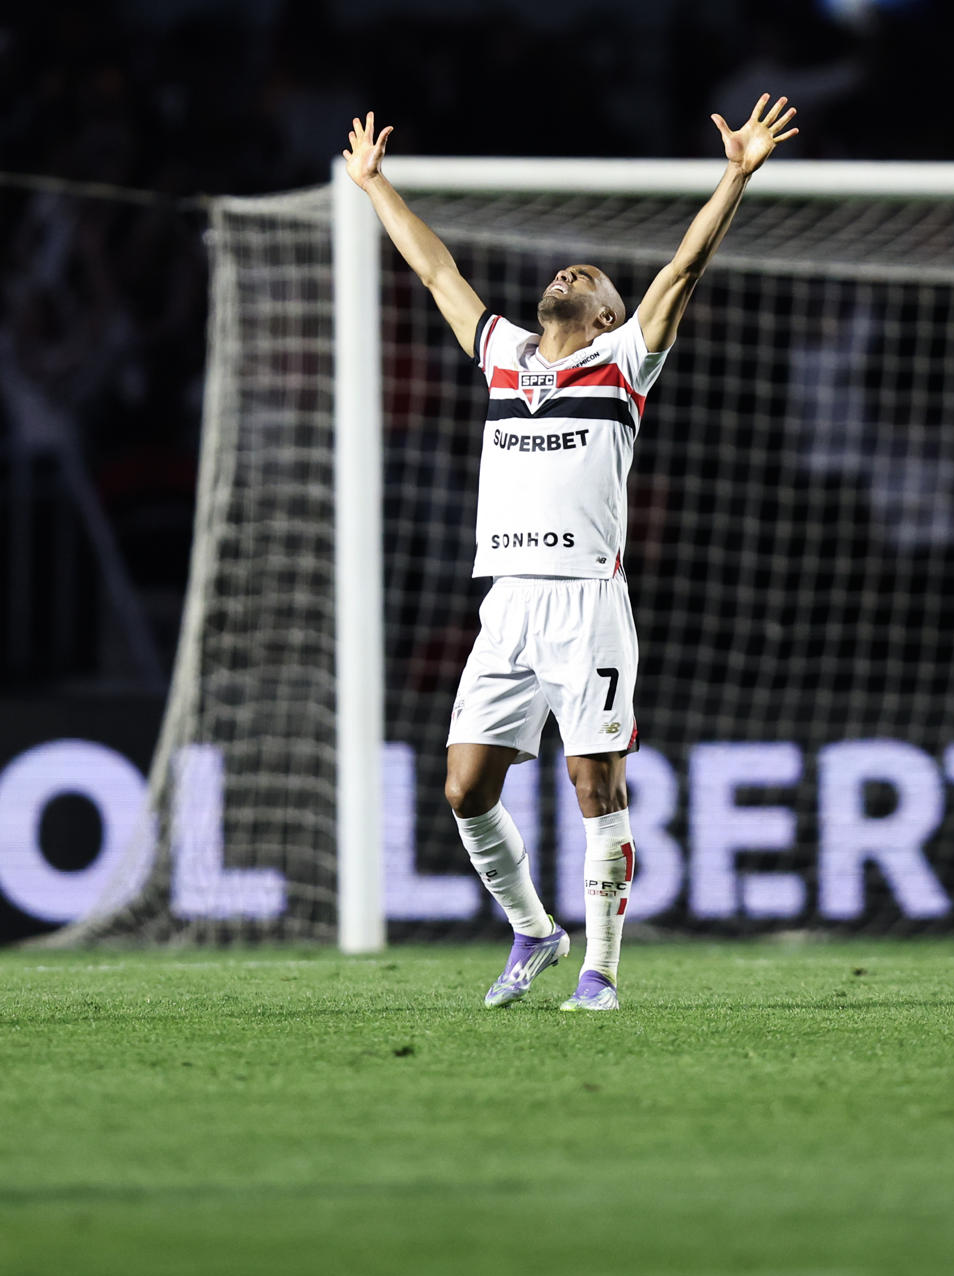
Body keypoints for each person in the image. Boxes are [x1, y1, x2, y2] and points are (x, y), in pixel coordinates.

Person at [340, 96, 799, 1011]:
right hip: (505, 602)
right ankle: (533, 930)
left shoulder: (625, 362)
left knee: (596, 784)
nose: (571, 273)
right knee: (465, 787)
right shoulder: (506, 354)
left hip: (586, 600)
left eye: (590, 279)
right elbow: (436, 271)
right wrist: (375, 186)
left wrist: (737, 174)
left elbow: (683, 268)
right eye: (567, 270)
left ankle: (600, 972)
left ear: (605, 319)